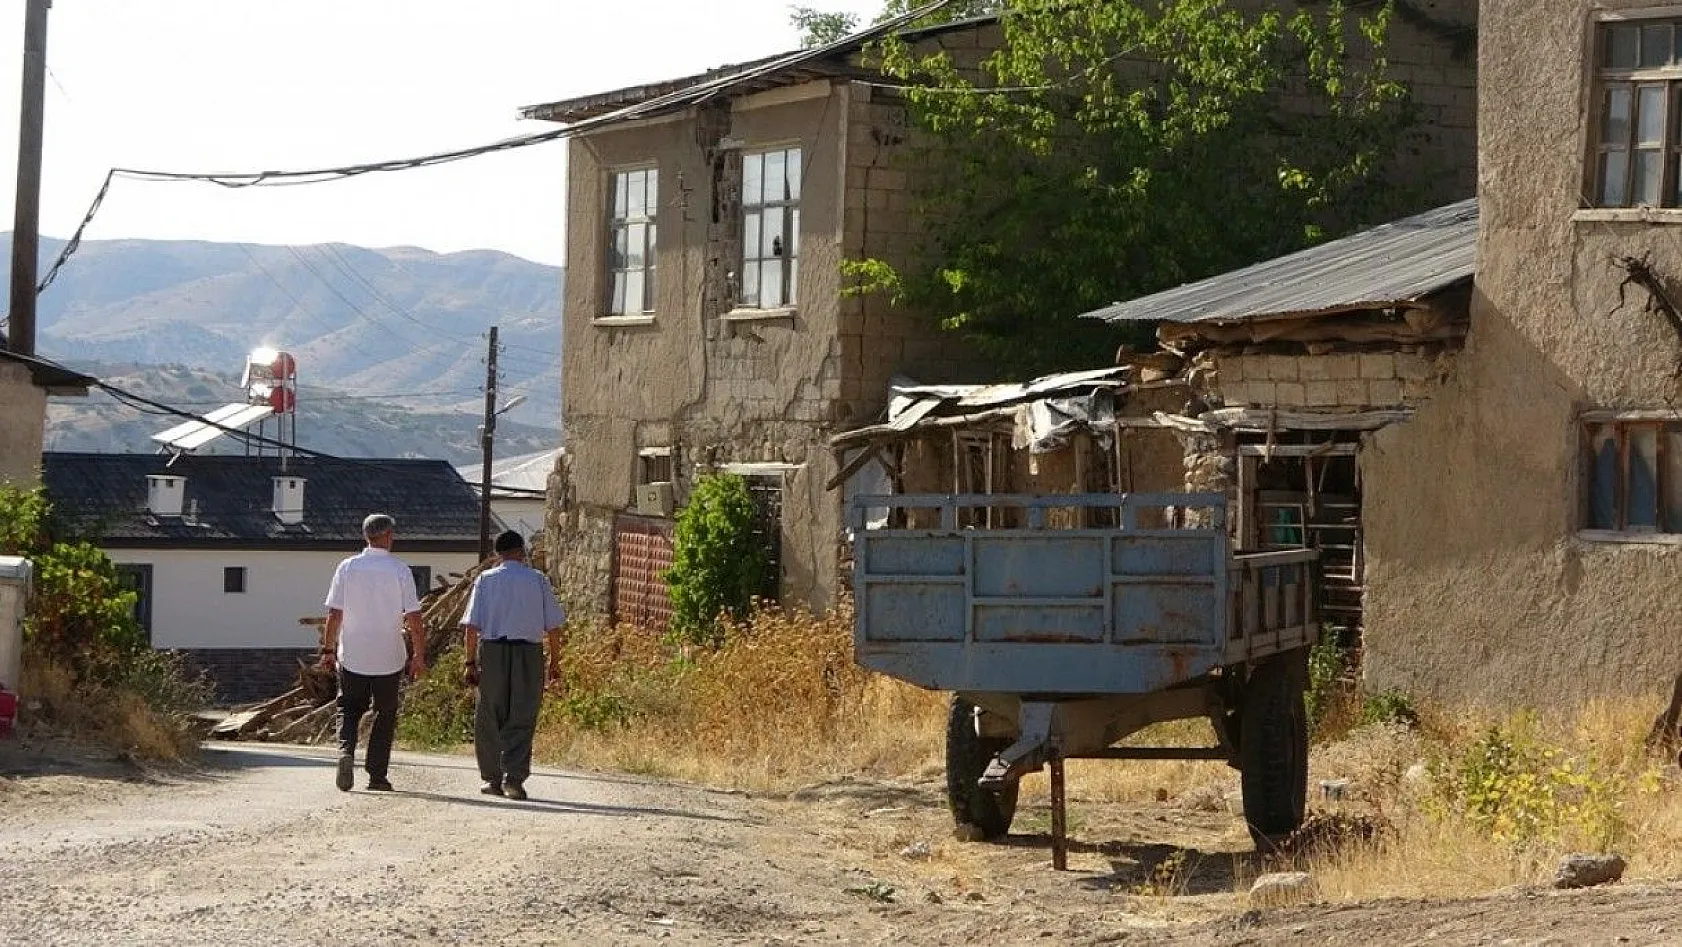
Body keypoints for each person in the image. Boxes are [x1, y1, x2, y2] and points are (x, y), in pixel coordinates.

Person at [319, 513, 426, 792]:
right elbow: (414, 616)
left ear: (366, 536)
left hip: (353, 652)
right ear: (388, 536)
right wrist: (418, 655)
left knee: (348, 708)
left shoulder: (347, 567)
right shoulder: (400, 570)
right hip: (389, 656)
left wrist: (328, 650)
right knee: (384, 713)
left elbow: (334, 613)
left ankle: (345, 751)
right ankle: (377, 776)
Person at [461, 529, 566, 801]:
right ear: (522, 551)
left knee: (489, 717)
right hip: (528, 652)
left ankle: (492, 778)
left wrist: (470, 661)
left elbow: (472, 627)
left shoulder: (485, 580)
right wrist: (555, 660)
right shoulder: (537, 580)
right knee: (522, 715)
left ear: (497, 554)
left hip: (493, 650)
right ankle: (514, 780)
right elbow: (553, 626)